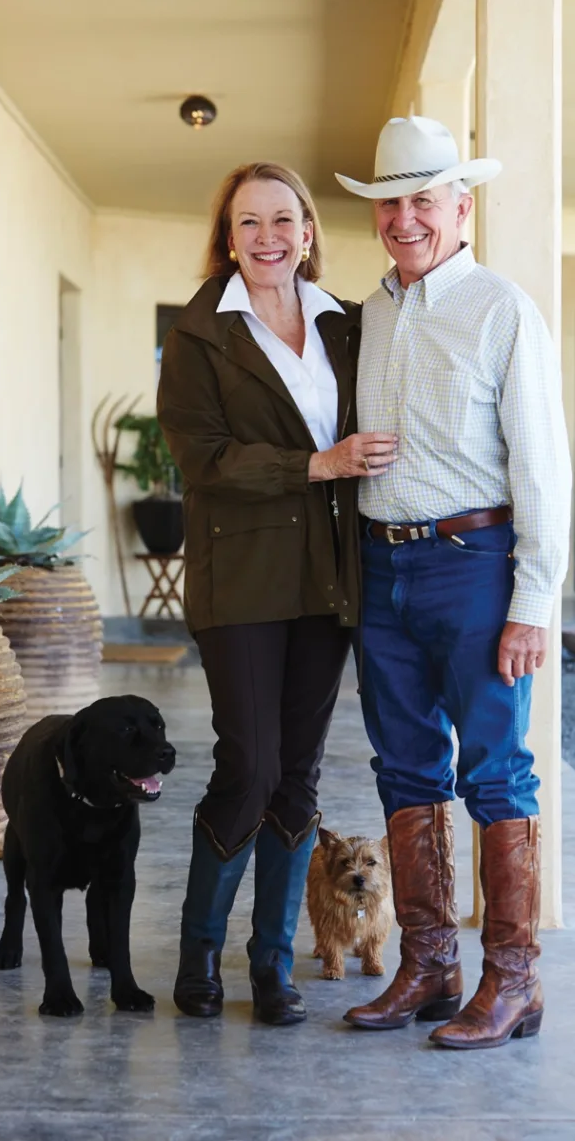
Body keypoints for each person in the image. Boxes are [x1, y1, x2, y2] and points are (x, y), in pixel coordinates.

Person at [334, 116, 572, 1049]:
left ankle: (514, 980)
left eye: (423, 200)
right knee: (403, 768)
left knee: (496, 770)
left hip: (475, 566)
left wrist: (533, 603)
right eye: (390, 203)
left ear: (460, 206)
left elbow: (543, 467)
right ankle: (430, 965)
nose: (405, 219)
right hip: (381, 566)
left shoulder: (503, 308)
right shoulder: (368, 313)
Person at [157, 162, 396, 1026]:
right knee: (250, 765)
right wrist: (316, 464)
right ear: (228, 237)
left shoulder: (344, 323)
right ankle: (198, 954)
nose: (268, 237)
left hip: (325, 575)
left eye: (284, 219)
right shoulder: (199, 333)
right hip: (242, 576)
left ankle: (270, 963)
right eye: (249, 222)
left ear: (308, 231)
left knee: (297, 772)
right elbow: (204, 458)